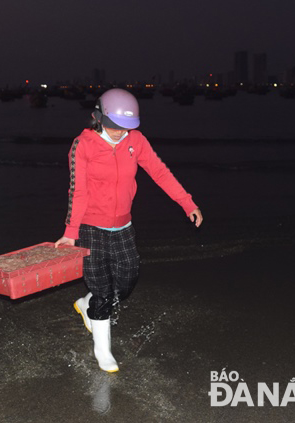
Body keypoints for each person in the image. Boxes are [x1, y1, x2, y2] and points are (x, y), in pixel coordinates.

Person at [55, 88, 203, 372]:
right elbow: (78, 190)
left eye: (126, 128)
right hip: (90, 227)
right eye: (114, 128)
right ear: (98, 117)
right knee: (102, 291)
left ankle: (87, 304)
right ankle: (103, 349)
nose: (120, 133)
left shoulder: (135, 140)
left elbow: (159, 171)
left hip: (123, 225)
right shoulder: (82, 145)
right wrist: (71, 230)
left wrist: (187, 203)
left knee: (126, 281)